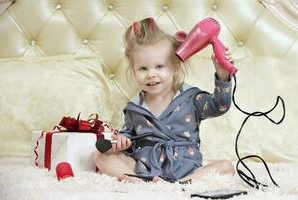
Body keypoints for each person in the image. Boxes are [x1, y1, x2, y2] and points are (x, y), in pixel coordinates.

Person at [94, 17, 235, 183]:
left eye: (159, 66)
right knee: (100, 156)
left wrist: (223, 76)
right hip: (147, 167)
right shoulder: (134, 107)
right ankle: (136, 181)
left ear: (175, 67)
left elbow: (220, 106)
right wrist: (124, 142)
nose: (151, 74)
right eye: (143, 68)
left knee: (226, 167)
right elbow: (130, 137)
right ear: (133, 70)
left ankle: (186, 183)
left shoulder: (191, 98)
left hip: (186, 166)